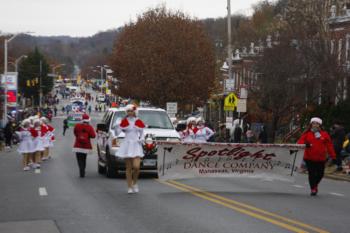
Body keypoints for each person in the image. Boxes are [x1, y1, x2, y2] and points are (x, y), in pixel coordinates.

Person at [297, 117, 336, 196]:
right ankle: (313, 189)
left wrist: (333, 156)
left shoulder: (324, 134)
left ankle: (315, 185)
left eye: (317, 123)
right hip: (309, 157)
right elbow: (299, 142)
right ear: (311, 124)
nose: (315, 125)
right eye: (313, 123)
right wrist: (305, 144)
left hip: (321, 158)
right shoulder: (306, 133)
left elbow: (329, 146)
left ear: (319, 125)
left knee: (320, 174)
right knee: (312, 174)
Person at [115, 104, 145, 193]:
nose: (130, 113)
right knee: (128, 168)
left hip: (136, 144)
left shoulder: (138, 121)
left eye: (131, 111)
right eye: (128, 111)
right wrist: (117, 125)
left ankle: (135, 183)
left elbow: (142, 132)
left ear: (134, 112)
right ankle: (129, 186)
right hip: (127, 145)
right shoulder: (124, 121)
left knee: (136, 167)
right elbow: (117, 133)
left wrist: (142, 138)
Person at [72, 113, 96, 178]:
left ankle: (81, 169)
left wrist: (78, 136)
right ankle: (83, 170)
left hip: (78, 145)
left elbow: (75, 133)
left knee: (79, 159)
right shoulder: (90, 127)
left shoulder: (77, 126)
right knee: (84, 159)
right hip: (86, 146)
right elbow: (93, 136)